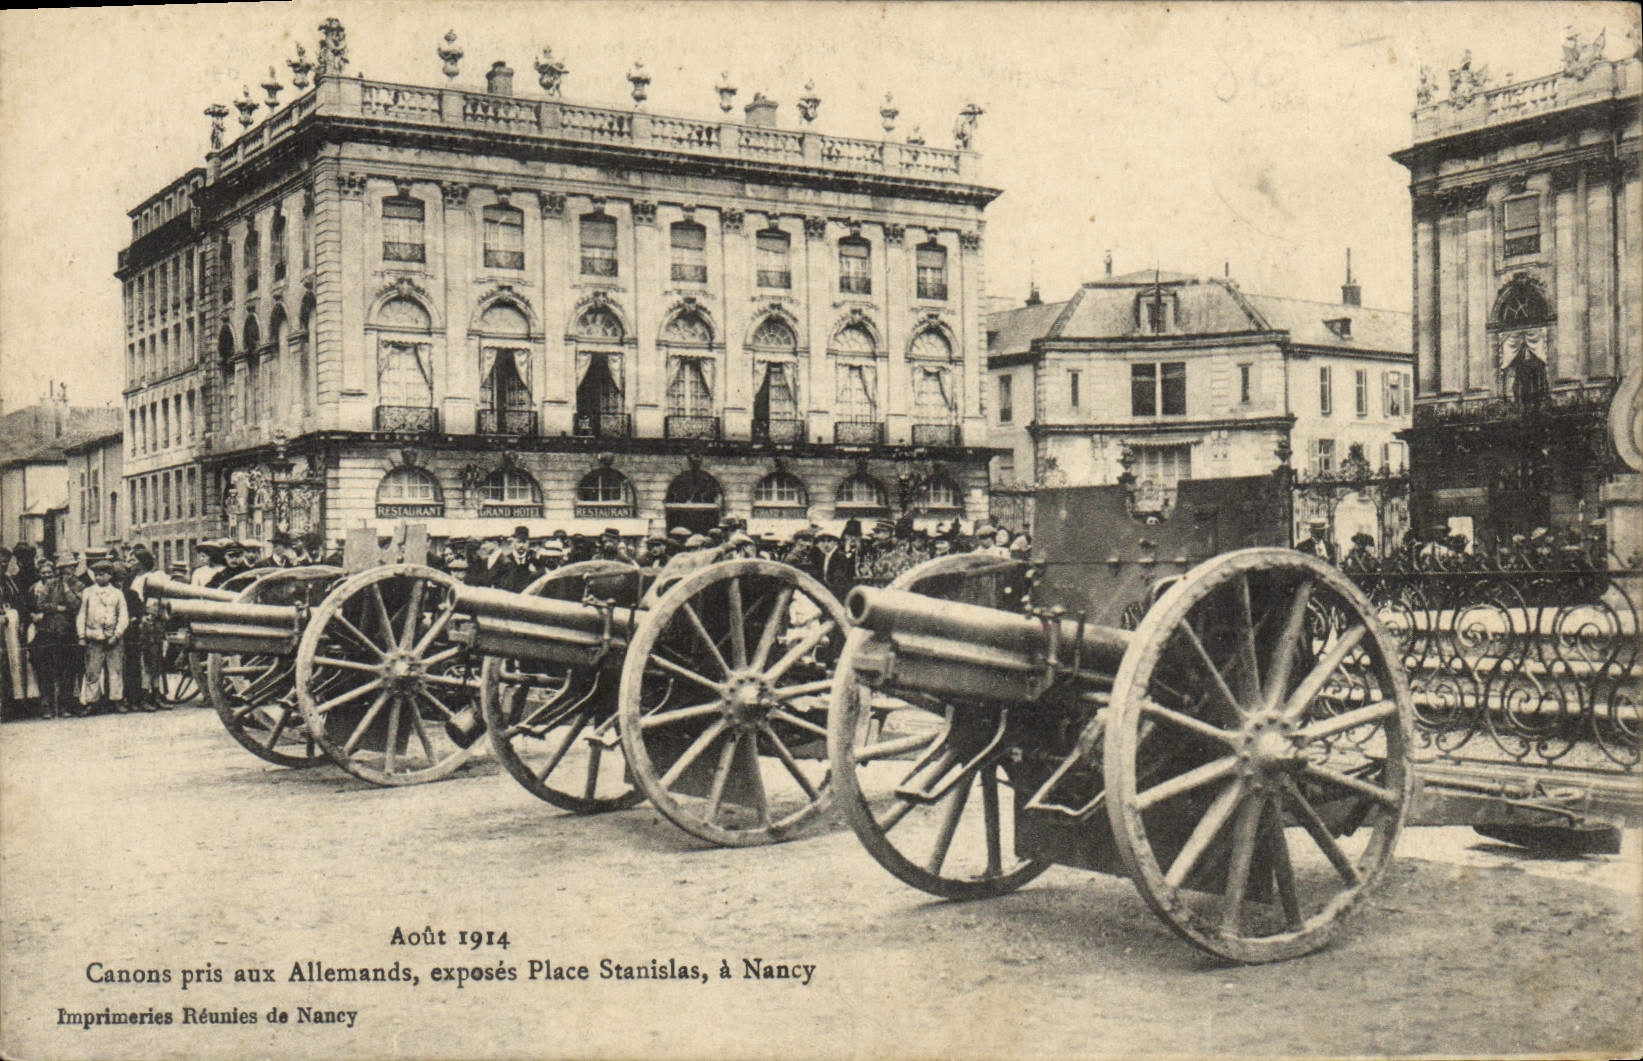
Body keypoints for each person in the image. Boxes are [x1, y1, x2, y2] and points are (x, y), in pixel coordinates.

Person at [30, 555, 82, 718]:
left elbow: (76, 605)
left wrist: (66, 589)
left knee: (68, 669)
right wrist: (58, 608)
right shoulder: (50, 584)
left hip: (69, 631)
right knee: (45, 667)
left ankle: (65, 705)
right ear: (60, 570)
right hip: (48, 631)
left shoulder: (79, 585)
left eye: (72, 568)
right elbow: (41, 604)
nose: (69, 571)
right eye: (65, 569)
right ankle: (47, 705)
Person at [78, 561, 130, 714]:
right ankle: (92, 702)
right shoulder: (88, 592)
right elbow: (82, 615)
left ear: (110, 575)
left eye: (102, 575)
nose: (98, 578)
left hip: (113, 638)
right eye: (96, 575)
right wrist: (82, 636)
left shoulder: (117, 593)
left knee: (115, 670)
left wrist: (117, 634)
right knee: (92, 671)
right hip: (94, 637)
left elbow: (123, 616)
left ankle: (116, 700)